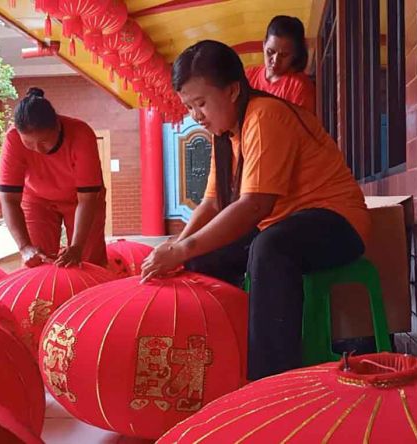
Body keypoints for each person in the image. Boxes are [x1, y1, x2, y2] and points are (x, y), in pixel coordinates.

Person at [140, 40, 370, 380]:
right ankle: (216, 358)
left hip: (337, 222)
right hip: (284, 225)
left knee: (270, 248)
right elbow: (211, 204)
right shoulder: (226, 135)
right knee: (203, 257)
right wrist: (177, 249)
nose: (195, 116)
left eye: (201, 103)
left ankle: (270, 380)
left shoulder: (266, 116)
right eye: (189, 106)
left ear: (233, 90)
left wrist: (181, 248)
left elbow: (254, 206)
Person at [0, 87, 107, 268]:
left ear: (57, 125)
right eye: (29, 143)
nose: (38, 150)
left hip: (82, 201)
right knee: (36, 260)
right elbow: (9, 199)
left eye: (44, 142)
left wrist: (77, 247)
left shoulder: (81, 134)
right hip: (37, 200)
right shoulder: (12, 139)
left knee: (87, 261)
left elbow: (87, 199)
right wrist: (24, 247)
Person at [246, 15, 315, 113]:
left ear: (295, 55)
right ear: (264, 44)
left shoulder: (299, 87)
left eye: (284, 55)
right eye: (270, 52)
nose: (275, 60)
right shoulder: (248, 77)